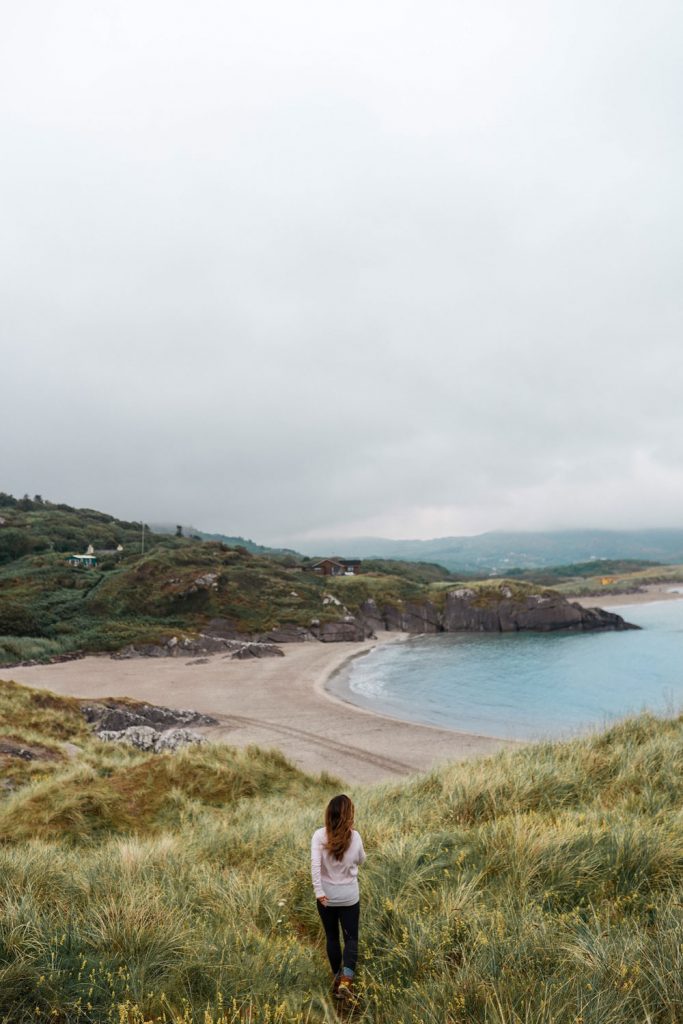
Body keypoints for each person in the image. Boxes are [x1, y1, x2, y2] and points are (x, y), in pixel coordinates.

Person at [311, 793, 366, 1000]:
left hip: (326, 898)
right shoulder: (356, 837)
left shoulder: (318, 836)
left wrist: (319, 892)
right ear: (348, 815)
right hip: (349, 897)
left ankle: (336, 979)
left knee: (332, 937)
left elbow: (315, 867)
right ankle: (346, 981)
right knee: (351, 939)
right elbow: (361, 860)